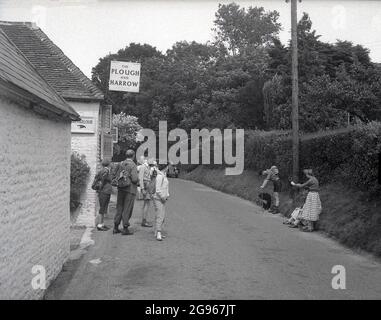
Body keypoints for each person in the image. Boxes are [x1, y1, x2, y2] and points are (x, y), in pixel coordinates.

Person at [113, 149, 139, 235]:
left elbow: (115, 174)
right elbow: (135, 179)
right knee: (127, 209)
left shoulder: (121, 163)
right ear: (133, 155)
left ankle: (116, 227)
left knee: (119, 207)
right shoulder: (133, 165)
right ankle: (125, 228)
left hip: (121, 188)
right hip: (130, 189)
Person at [152, 163, 170, 241]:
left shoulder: (163, 175)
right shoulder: (160, 176)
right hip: (158, 198)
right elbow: (158, 189)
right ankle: (158, 232)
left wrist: (167, 195)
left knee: (161, 215)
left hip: (162, 198)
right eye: (168, 166)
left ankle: (157, 231)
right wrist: (163, 197)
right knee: (160, 215)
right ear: (165, 167)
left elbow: (165, 187)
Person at [95, 159, 112, 231]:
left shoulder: (104, 170)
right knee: (102, 208)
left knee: (104, 208)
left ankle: (102, 224)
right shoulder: (105, 171)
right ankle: (99, 225)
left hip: (104, 191)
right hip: (104, 192)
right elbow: (102, 181)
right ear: (108, 164)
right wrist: (100, 190)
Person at [139, 158, 153, 227]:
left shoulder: (148, 167)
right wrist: (142, 189)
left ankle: (144, 219)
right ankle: (144, 221)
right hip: (145, 186)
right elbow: (140, 178)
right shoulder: (143, 167)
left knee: (146, 203)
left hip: (147, 185)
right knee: (146, 203)